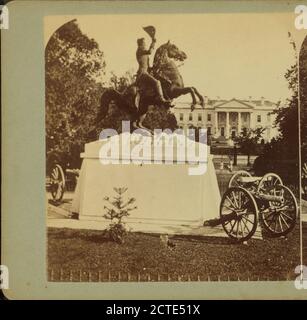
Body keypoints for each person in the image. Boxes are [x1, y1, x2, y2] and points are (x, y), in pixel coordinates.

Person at [136, 37, 170, 104]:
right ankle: (161, 99)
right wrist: (153, 42)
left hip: (146, 72)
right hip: (142, 73)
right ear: (141, 43)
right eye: (144, 42)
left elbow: (147, 65)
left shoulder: (143, 52)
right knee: (157, 82)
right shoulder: (140, 49)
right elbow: (150, 51)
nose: (145, 44)